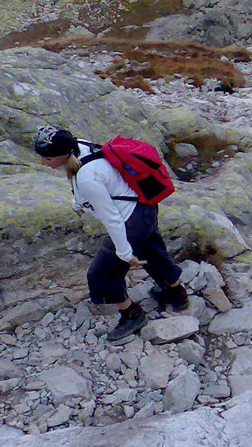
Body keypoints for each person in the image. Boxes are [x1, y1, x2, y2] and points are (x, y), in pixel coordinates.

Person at [34, 125, 188, 342]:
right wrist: (78, 201)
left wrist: (124, 253)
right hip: (144, 207)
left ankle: (131, 314)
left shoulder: (87, 176)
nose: (43, 162)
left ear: (63, 154)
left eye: (48, 159)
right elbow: (78, 178)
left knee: (101, 273)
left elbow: (112, 218)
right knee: (152, 252)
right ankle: (177, 294)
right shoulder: (80, 146)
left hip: (130, 220)